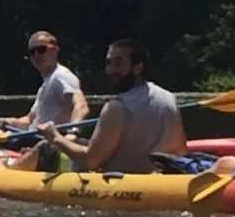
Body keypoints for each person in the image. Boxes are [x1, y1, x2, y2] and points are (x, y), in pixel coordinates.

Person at [75, 37, 185, 174]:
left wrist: (55, 137)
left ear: (138, 67)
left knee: (47, 148)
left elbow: (91, 161)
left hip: (127, 188)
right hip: (165, 181)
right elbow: (180, 150)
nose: (111, 70)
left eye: (118, 63)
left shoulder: (116, 107)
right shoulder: (169, 98)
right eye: (108, 64)